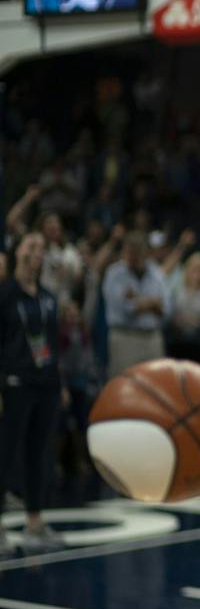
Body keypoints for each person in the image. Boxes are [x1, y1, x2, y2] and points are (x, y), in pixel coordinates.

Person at [0, 232, 66, 553]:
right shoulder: (5, 295)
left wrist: (59, 382)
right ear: (18, 252)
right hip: (15, 383)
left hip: (46, 384)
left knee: (38, 455)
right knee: (5, 454)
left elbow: (52, 345)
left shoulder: (49, 298)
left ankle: (35, 522)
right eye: (31, 246)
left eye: (41, 247)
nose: (37, 252)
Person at [101, 231, 169, 376]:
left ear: (145, 252)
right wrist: (151, 302)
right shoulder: (114, 274)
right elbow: (124, 310)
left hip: (152, 337)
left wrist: (137, 300)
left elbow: (166, 310)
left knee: (155, 385)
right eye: (130, 251)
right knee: (125, 386)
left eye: (137, 251)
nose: (132, 256)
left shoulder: (157, 274)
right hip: (125, 336)